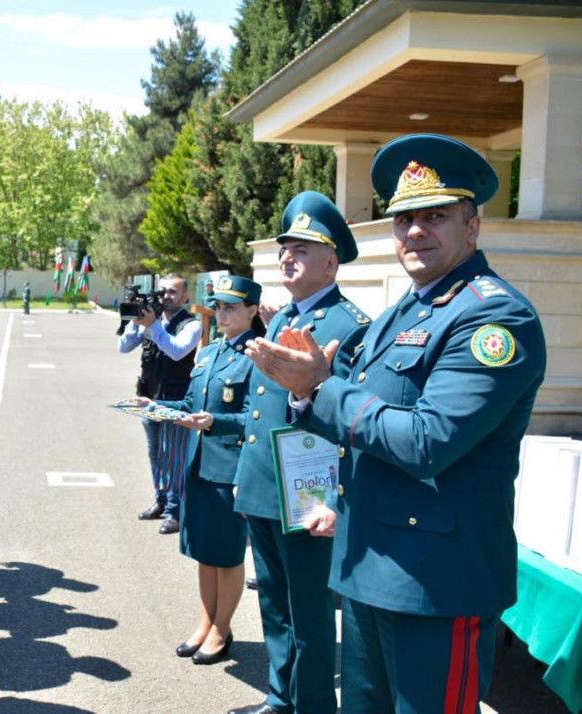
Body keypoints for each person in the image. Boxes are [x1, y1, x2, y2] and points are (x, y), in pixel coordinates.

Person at [247, 133, 546, 713]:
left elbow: (427, 441)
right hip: (366, 566)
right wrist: (335, 492)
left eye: (436, 216)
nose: (415, 231)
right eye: (404, 217)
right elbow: (361, 429)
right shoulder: (397, 315)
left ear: (473, 227)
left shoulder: (494, 317)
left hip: (436, 582)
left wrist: (317, 388)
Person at [227, 192, 370, 714]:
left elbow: (348, 418)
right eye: (285, 247)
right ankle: (280, 697)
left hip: (309, 485)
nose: (288, 256)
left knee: (308, 610)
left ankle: (311, 705)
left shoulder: (351, 325)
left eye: (303, 249)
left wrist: (334, 496)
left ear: (331, 261)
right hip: (267, 481)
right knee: (273, 604)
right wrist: (248, 473)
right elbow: (259, 408)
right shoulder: (283, 313)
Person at [143, 275, 264, 665]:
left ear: (253, 311)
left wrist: (213, 422)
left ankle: (222, 629)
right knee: (203, 552)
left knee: (226, 554)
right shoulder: (210, 352)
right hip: (197, 464)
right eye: (219, 306)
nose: (223, 313)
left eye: (231, 307)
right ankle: (205, 622)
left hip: (230, 469)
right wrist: (153, 405)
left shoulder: (258, 356)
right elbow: (191, 403)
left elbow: (256, 419)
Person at [118, 274, 203, 534]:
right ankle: (161, 500)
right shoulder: (150, 321)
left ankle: (175, 511)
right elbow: (123, 347)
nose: (166, 297)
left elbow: (177, 350)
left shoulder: (191, 324)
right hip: (148, 396)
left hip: (175, 400)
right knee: (155, 454)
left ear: (185, 296)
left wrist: (153, 326)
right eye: (163, 292)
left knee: (174, 456)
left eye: (173, 293)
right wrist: (134, 321)